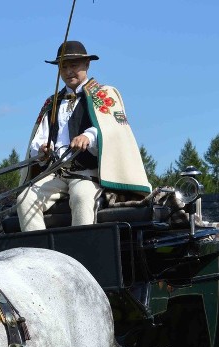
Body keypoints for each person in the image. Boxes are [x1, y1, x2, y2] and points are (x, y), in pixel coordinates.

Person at [17, 40, 152, 232]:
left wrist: (89, 136)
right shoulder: (51, 103)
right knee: (25, 198)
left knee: (81, 196)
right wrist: (41, 149)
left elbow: (114, 129)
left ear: (87, 65)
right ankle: (39, 254)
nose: (68, 71)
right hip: (57, 173)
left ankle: (80, 256)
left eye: (74, 65)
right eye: (63, 66)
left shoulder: (105, 94)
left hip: (88, 175)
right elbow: (39, 137)